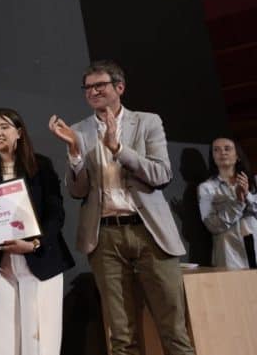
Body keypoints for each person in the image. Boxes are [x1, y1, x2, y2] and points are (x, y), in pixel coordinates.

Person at [48, 60, 194, 355]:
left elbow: (161, 175)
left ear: (119, 87)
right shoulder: (78, 130)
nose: (93, 92)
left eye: (99, 85)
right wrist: (75, 154)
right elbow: (77, 191)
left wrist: (118, 149)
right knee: (121, 336)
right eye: (88, 87)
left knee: (174, 330)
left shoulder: (146, 122)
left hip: (150, 234)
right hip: (105, 238)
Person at [0, 108, 74, 355]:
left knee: (40, 337)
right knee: (3, 341)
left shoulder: (40, 165)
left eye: (4, 127)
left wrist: (35, 243)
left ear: (19, 133)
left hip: (40, 259)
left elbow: (56, 213)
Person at [198, 136, 257, 269]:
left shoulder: (254, 181)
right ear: (213, 157)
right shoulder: (206, 188)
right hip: (229, 254)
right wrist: (238, 202)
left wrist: (247, 194)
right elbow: (212, 225)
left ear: (238, 155)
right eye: (216, 150)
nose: (222, 152)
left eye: (227, 148)